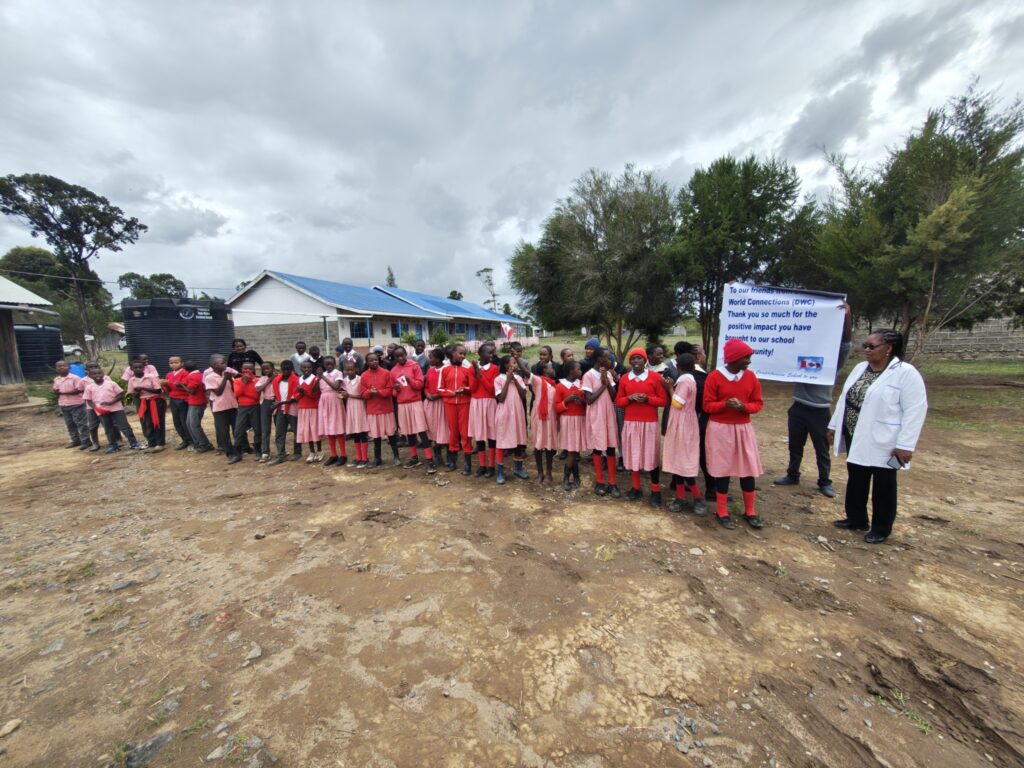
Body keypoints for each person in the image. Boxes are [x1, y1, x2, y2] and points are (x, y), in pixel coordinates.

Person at [828, 329, 927, 544]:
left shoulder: (906, 373)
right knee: (856, 478)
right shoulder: (860, 368)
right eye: (865, 345)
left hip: (889, 442)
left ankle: (881, 528)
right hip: (856, 435)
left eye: (871, 346)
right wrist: (834, 425)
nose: (866, 350)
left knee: (885, 484)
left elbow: (916, 410)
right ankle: (856, 519)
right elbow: (845, 398)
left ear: (888, 348)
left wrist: (905, 445)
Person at [774, 301, 853, 498]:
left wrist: (847, 317)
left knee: (822, 449)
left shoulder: (833, 362)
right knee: (795, 446)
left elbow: (846, 344)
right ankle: (792, 475)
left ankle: (825, 482)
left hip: (819, 411)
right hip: (798, 407)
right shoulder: (800, 356)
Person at [704, 339, 764, 529]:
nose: (749, 361)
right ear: (734, 358)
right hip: (720, 428)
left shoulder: (751, 377)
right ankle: (722, 511)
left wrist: (744, 407)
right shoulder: (714, 377)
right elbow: (707, 405)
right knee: (723, 470)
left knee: (747, 469)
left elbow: (758, 403)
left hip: (743, 428)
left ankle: (750, 511)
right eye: (746, 357)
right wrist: (725, 404)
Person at [615, 348, 668, 505]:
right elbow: (619, 401)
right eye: (633, 358)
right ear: (630, 362)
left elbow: (663, 401)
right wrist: (630, 398)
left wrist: (648, 399)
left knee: (652, 456)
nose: (636, 361)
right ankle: (636, 487)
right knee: (634, 455)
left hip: (649, 424)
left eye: (639, 358)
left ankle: (655, 491)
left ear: (645, 360)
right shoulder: (625, 378)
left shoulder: (655, 377)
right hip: (631, 423)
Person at [661, 353, 707, 515]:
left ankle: (698, 497)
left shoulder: (684, 381)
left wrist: (669, 388)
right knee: (678, 462)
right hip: (684, 422)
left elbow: (677, 403)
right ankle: (680, 497)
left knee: (683, 462)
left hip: (682, 424)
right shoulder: (690, 378)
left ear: (678, 367)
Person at [582, 349, 620, 497]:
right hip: (596, 415)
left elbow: (614, 397)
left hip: (608, 413)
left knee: (610, 448)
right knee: (598, 448)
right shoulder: (588, 375)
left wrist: (607, 382)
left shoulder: (608, 374)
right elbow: (589, 400)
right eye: (607, 358)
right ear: (599, 359)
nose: (610, 361)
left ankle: (612, 482)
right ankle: (600, 481)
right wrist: (603, 385)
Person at [391, 346, 435, 472]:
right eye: (397, 356)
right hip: (402, 404)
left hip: (415, 402)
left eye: (402, 355)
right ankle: (414, 457)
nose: (400, 358)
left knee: (421, 431)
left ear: (406, 354)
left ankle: (430, 459)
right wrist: (396, 390)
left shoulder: (414, 366)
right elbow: (393, 392)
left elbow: (420, 385)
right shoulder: (393, 371)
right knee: (409, 431)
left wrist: (410, 380)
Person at [85, 366, 141, 453]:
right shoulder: (89, 387)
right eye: (94, 374)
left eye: (99, 373)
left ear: (103, 374)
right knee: (108, 428)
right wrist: (96, 408)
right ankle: (113, 445)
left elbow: (121, 394)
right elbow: (88, 400)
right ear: (90, 376)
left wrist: (111, 402)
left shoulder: (111, 383)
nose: (97, 375)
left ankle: (133, 443)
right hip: (102, 410)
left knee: (124, 426)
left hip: (116, 409)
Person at [440, 343, 475, 474]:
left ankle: (467, 464)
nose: (462, 356)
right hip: (450, 404)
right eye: (460, 353)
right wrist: (452, 393)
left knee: (465, 433)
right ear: (453, 353)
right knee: (453, 432)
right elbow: (440, 388)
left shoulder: (468, 369)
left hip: (464, 404)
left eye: (464, 354)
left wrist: (465, 390)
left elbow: (472, 388)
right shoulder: (444, 369)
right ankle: (452, 462)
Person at [493, 357, 529, 484]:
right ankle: (500, 472)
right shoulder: (498, 379)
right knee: (501, 440)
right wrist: (508, 381)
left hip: (517, 412)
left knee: (518, 440)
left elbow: (523, 396)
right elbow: (501, 398)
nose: (515, 364)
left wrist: (515, 380)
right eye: (513, 362)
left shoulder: (518, 378)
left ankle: (518, 469)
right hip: (504, 413)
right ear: (506, 365)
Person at [361, 352, 400, 466]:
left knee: (391, 434)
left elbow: (389, 390)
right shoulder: (364, 375)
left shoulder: (386, 373)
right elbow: (362, 393)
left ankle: (396, 456)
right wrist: (369, 392)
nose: (374, 362)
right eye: (371, 360)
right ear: (367, 362)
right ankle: (377, 458)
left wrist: (378, 392)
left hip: (386, 409)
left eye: (376, 360)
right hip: (373, 410)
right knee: (376, 435)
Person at [468, 341, 500, 477]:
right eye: (489, 353)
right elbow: (473, 389)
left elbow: (491, 389)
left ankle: (491, 466)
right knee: (479, 436)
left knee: (492, 436)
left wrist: (479, 374)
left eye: (492, 353)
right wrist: (476, 372)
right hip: (476, 403)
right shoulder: (471, 368)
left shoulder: (495, 368)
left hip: (490, 403)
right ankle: (482, 465)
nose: (491, 355)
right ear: (480, 353)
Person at [555, 360, 587, 489]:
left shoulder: (583, 384)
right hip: (567, 420)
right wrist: (566, 401)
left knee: (573, 450)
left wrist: (582, 401)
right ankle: (568, 477)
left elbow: (588, 404)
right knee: (572, 451)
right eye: (578, 369)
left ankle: (573, 478)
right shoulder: (560, 386)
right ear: (571, 371)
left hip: (579, 419)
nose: (581, 371)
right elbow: (557, 407)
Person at [205, 354, 241, 465]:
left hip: (232, 406)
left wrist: (230, 380)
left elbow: (235, 390)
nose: (225, 364)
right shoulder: (210, 377)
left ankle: (239, 450)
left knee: (237, 430)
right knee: (224, 433)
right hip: (220, 409)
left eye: (225, 362)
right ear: (213, 365)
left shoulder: (228, 375)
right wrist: (225, 379)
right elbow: (218, 392)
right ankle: (230, 454)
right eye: (222, 363)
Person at [527, 361, 559, 485]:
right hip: (539, 417)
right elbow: (526, 371)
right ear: (545, 371)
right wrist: (517, 358)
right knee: (538, 445)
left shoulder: (554, 384)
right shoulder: (538, 381)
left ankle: (549, 473)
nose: (553, 369)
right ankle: (540, 472)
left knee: (549, 445)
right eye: (551, 367)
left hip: (551, 417)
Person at [128, 359, 166, 451]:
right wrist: (137, 393)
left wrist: (143, 389)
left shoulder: (151, 377)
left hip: (155, 400)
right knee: (147, 422)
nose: (138, 369)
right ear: (131, 369)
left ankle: (160, 443)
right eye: (135, 367)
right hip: (143, 402)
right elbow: (132, 393)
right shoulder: (132, 380)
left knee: (157, 421)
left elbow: (159, 391)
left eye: (140, 367)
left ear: (143, 368)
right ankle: (151, 443)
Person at [316, 356, 347, 466]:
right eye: (327, 364)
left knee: (337, 428)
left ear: (335, 364)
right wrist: (318, 378)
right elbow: (314, 390)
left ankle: (343, 455)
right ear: (324, 365)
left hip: (334, 400)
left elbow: (336, 387)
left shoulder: (338, 373)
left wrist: (323, 377)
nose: (329, 366)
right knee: (328, 428)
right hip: (324, 401)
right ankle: (333, 455)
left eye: (331, 364)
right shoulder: (322, 375)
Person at [52, 359, 90, 449]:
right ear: (56, 368)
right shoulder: (56, 379)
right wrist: (55, 391)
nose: (62, 367)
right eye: (59, 366)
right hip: (63, 404)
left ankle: (86, 441)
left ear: (69, 367)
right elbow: (55, 390)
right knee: (70, 424)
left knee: (81, 423)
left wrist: (63, 392)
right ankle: (75, 440)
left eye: (64, 366)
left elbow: (80, 389)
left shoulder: (75, 378)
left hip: (76, 403)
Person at [270, 360, 301, 464]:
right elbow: (275, 393)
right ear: (281, 369)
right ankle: (281, 454)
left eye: (288, 369)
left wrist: (281, 402)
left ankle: (297, 452)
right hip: (280, 409)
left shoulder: (296, 380)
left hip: (293, 409)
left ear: (292, 369)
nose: (286, 371)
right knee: (279, 433)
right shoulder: (277, 380)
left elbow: (296, 397)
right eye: (284, 369)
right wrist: (276, 402)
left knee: (296, 431)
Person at [423, 348, 450, 469]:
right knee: (433, 429)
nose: (429, 359)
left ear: (438, 359)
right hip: (431, 404)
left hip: (443, 403)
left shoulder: (446, 370)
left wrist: (437, 395)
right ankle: (438, 456)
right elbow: (426, 386)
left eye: (431, 357)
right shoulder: (430, 371)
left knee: (445, 429)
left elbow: (449, 387)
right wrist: (427, 394)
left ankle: (450, 457)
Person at [180, 360, 214, 453]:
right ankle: (198, 443)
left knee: (194, 425)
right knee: (189, 424)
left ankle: (205, 444)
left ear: (185, 369)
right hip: (195, 402)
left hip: (197, 403)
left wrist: (182, 385)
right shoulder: (198, 374)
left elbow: (192, 391)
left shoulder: (193, 376)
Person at [342, 359, 369, 468]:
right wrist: (343, 396)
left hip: (360, 407)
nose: (349, 372)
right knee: (355, 434)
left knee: (362, 432)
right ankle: (358, 457)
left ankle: (365, 458)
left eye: (352, 369)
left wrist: (349, 396)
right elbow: (344, 393)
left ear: (356, 369)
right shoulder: (345, 381)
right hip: (350, 408)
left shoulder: (360, 379)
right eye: (347, 370)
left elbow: (363, 396)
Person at [232, 362, 262, 460]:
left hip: (255, 407)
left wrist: (245, 393)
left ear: (253, 369)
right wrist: (244, 382)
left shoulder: (257, 380)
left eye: (250, 368)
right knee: (238, 430)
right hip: (242, 408)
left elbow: (256, 396)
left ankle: (258, 450)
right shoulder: (237, 380)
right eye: (245, 368)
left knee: (257, 429)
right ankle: (237, 453)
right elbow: (237, 394)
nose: (247, 371)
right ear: (241, 369)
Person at [295, 360, 322, 462]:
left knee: (315, 430)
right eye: (304, 367)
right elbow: (295, 396)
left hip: (313, 408)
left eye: (309, 367)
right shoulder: (299, 380)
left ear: (312, 368)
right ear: (301, 369)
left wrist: (304, 391)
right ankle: (312, 451)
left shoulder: (315, 379)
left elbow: (315, 395)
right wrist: (301, 393)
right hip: (303, 408)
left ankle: (319, 450)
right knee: (307, 430)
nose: (307, 369)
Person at [164, 356, 192, 450]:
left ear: (182, 363)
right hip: (173, 399)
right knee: (176, 421)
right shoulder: (169, 375)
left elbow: (184, 386)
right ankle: (184, 440)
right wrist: (164, 385)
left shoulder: (185, 373)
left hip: (183, 399)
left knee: (184, 421)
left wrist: (170, 384)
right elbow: (168, 390)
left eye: (176, 362)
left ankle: (191, 441)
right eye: (171, 363)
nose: (173, 364)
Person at [255, 361, 277, 462]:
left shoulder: (279, 377)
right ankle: (265, 452)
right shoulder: (263, 379)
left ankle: (281, 451)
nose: (266, 370)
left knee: (279, 427)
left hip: (277, 402)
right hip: (266, 403)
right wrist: (269, 380)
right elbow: (258, 389)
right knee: (265, 428)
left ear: (273, 368)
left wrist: (273, 378)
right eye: (264, 369)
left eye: (268, 368)